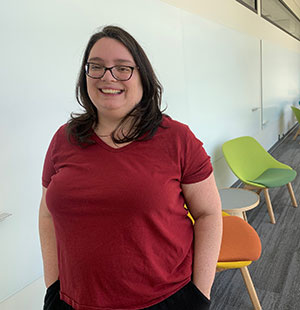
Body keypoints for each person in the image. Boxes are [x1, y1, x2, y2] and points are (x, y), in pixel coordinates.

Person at [39, 25, 222, 310]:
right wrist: (53, 286)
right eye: (96, 67)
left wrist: (199, 295)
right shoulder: (64, 139)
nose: (107, 77)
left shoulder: (177, 138)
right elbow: (47, 215)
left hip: (164, 301)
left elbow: (208, 214)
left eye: (122, 68)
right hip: (72, 301)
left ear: (143, 77)